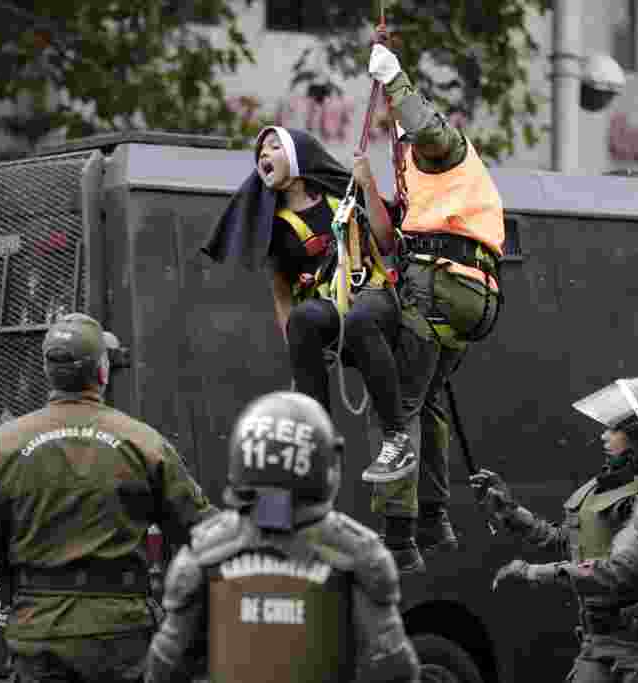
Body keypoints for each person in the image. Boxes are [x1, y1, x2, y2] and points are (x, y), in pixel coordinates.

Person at [0, 312, 217, 683]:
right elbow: (204, 534)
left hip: (37, 638)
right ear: (102, 372)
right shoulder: (145, 444)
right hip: (122, 639)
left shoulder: (1, 446)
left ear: (49, 373)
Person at [144, 391, 420, 683]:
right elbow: (391, 665)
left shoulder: (205, 551)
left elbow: (165, 664)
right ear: (326, 462)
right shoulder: (357, 552)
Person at [360, 33, 506, 573]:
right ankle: (434, 519)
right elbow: (397, 237)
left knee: (396, 401)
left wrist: (392, 75)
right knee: (430, 400)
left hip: (441, 286)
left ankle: (398, 537)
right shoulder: (439, 184)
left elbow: (423, 125)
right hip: (473, 295)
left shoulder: (442, 148)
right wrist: (370, 189)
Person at [202, 127, 419, 485]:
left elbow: (384, 240)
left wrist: (366, 186)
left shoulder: (343, 196)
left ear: (299, 155)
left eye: (274, 146)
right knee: (302, 319)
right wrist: (301, 348)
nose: (263, 154)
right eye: (260, 152)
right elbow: (282, 294)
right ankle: (318, 438)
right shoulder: (276, 228)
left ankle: (397, 438)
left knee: (362, 318)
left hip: (372, 296)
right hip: (330, 310)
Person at [470, 377, 638, 682]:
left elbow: (617, 571)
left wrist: (532, 573)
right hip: (598, 643)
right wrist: (511, 513)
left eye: (615, 429)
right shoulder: (606, 486)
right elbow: (567, 543)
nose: (604, 436)